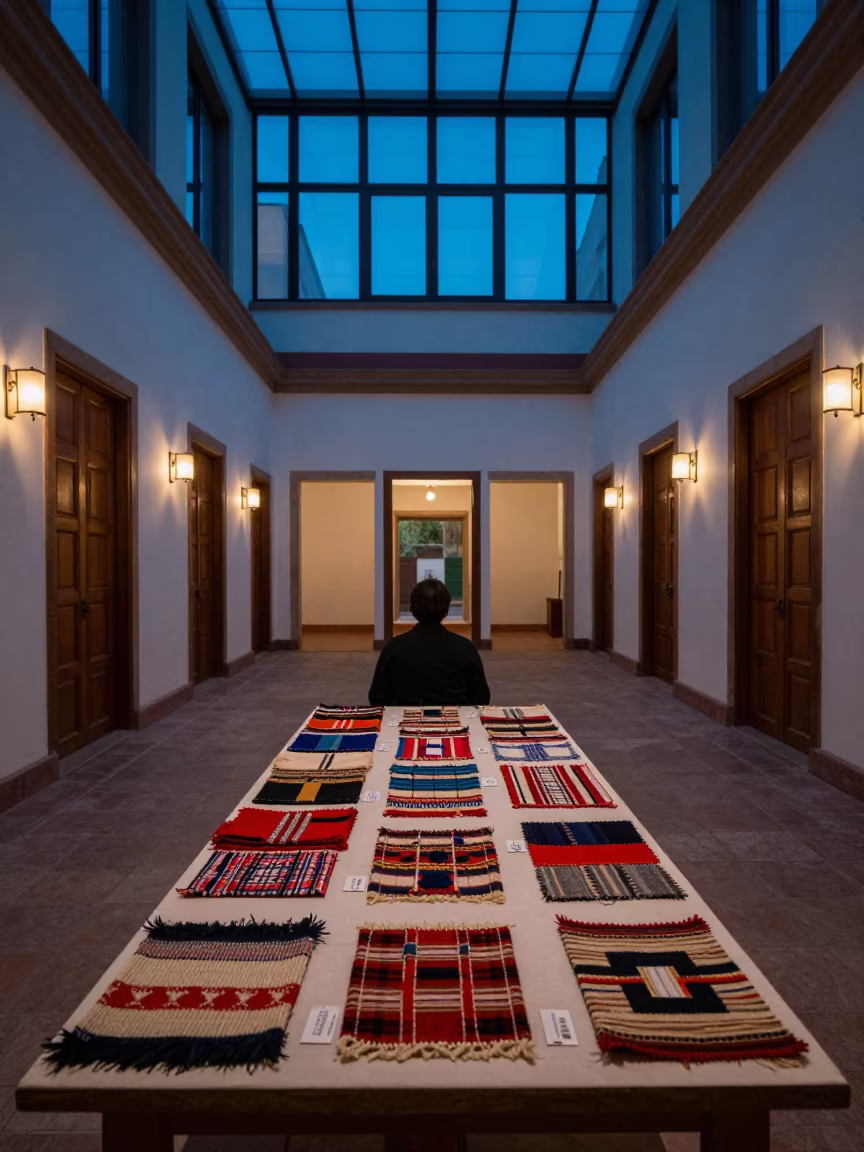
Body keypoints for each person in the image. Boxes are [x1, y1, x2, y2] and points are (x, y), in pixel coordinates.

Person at [369, 578, 491, 706]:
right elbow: (481, 698)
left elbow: (377, 698)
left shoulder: (394, 648)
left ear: (411, 608)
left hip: (404, 722)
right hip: (457, 722)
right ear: (447, 610)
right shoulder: (465, 648)